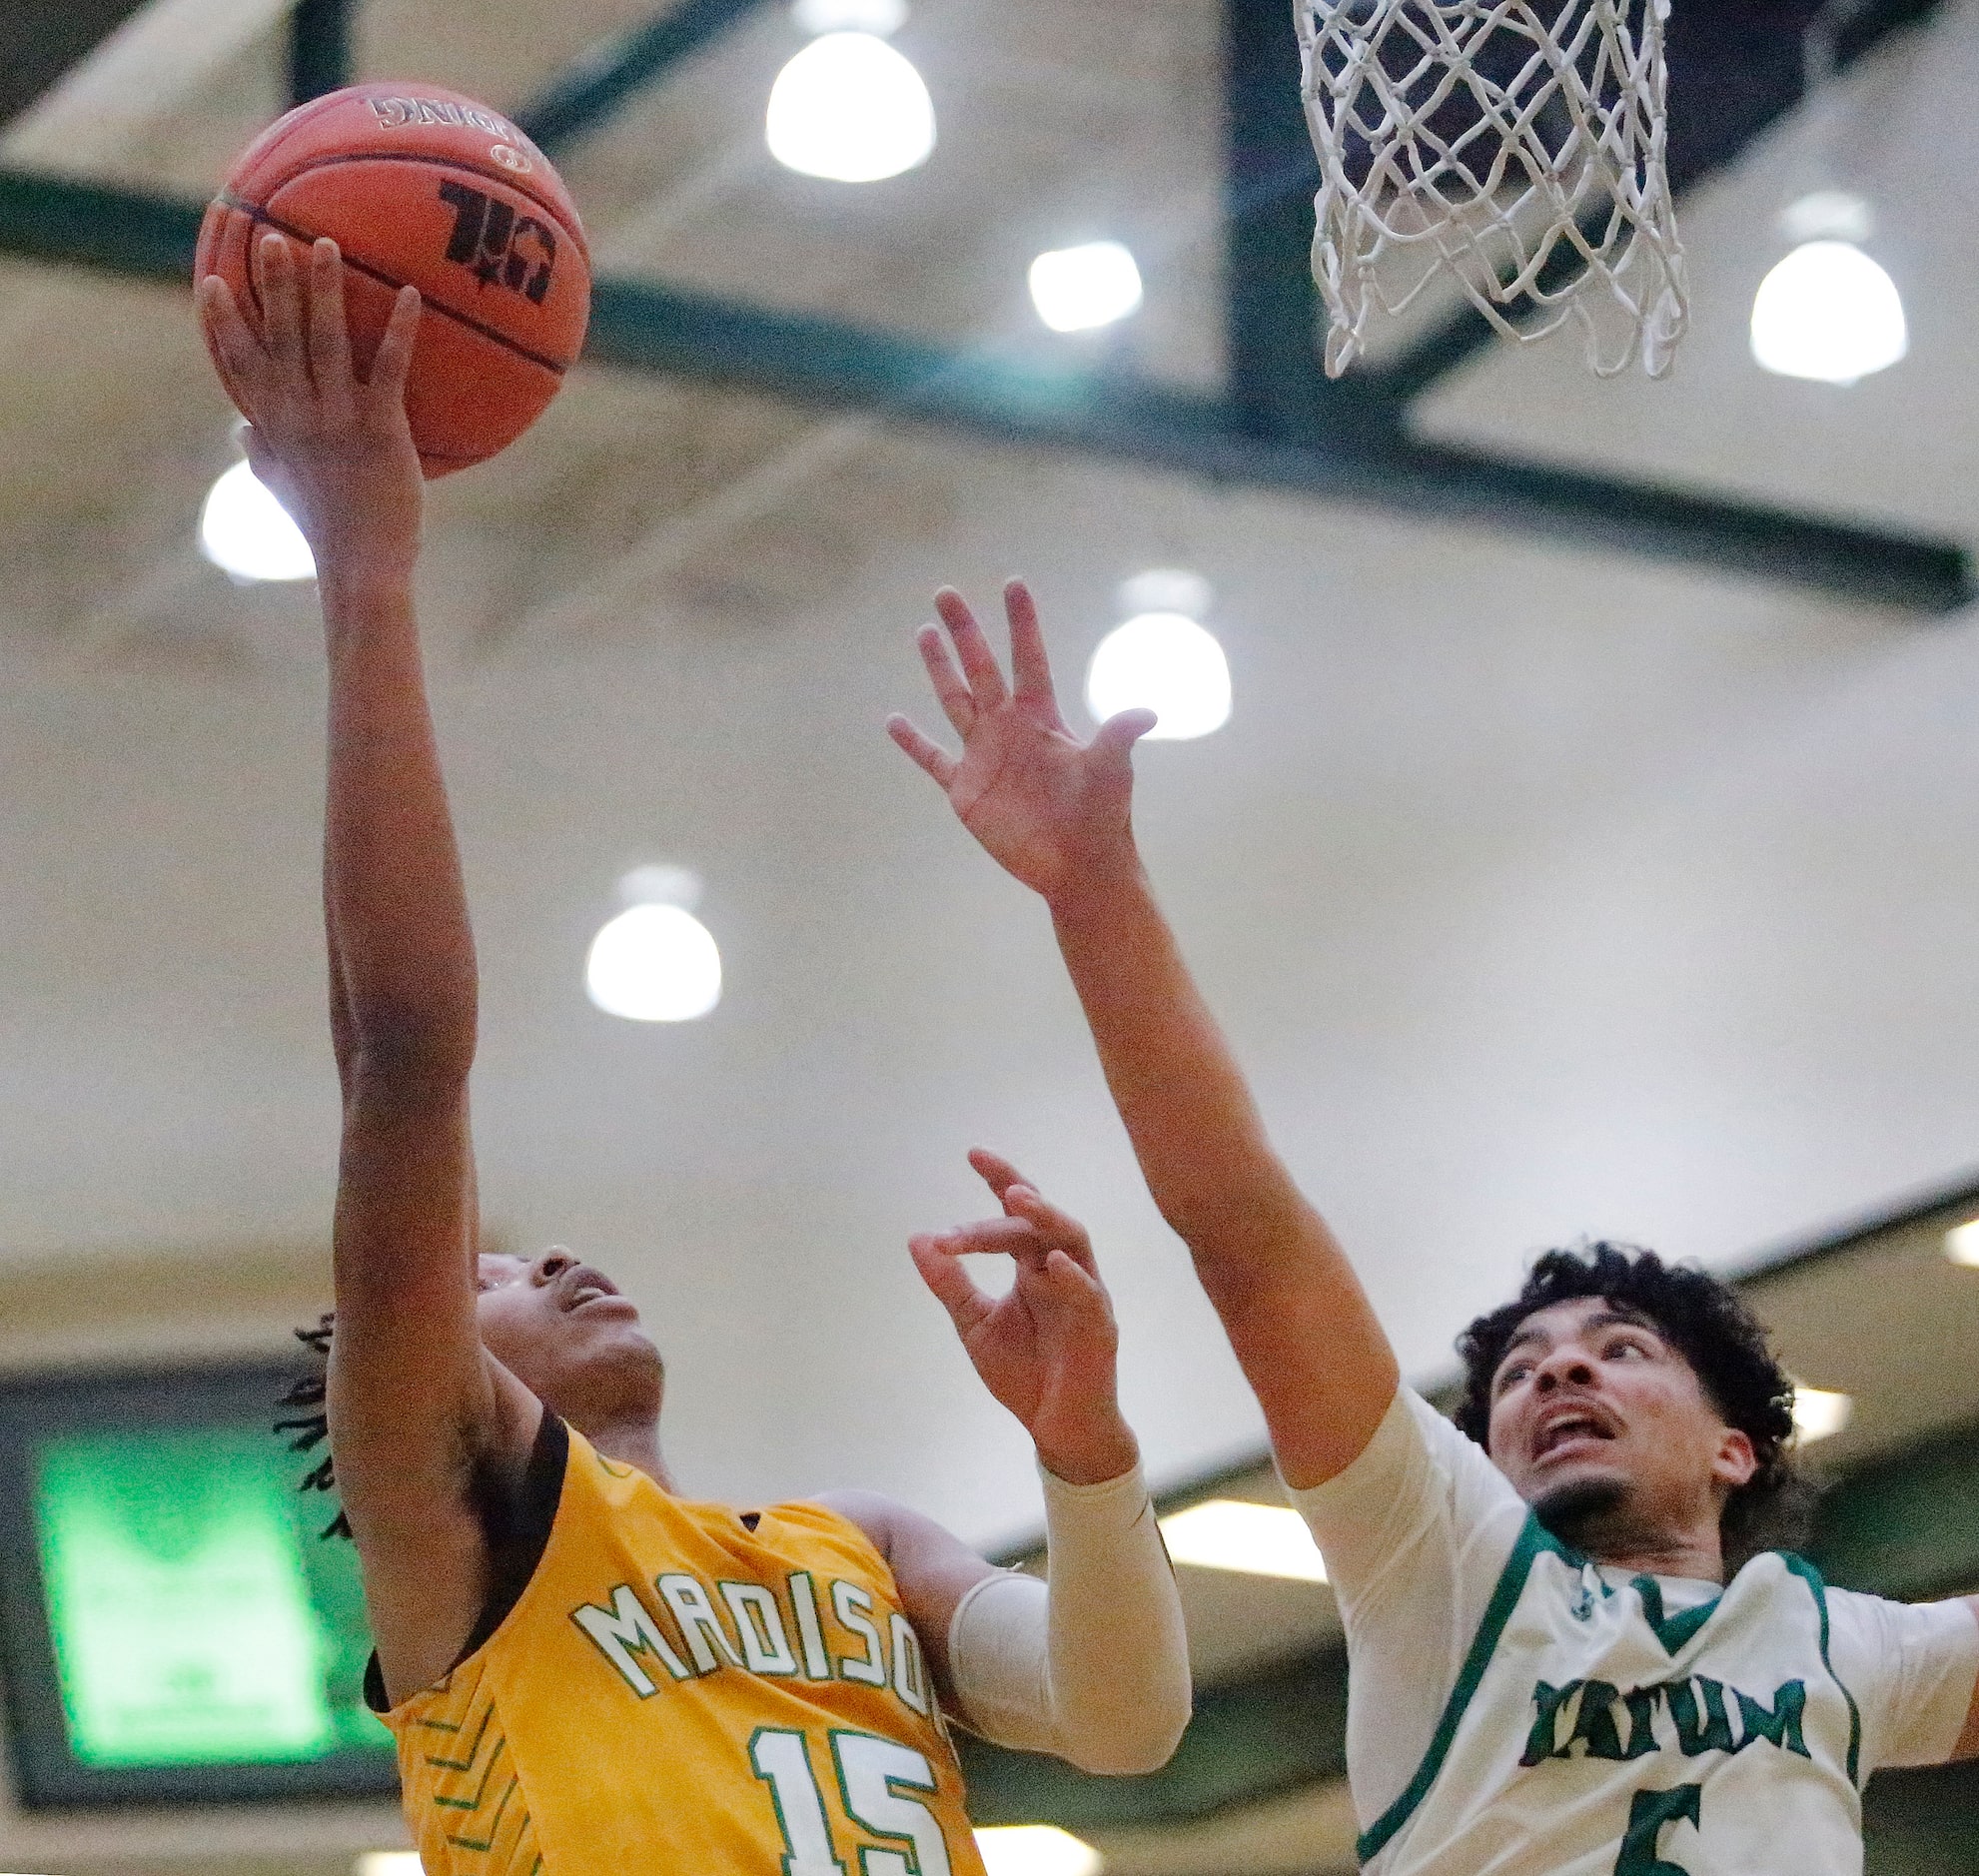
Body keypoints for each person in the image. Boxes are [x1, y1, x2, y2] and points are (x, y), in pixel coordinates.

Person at [196, 241, 1189, 1876]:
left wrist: (1082, 1441)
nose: (561, 1258)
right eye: (496, 1272)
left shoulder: (858, 1547)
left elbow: (1122, 1717)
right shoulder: (463, 1514)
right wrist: (365, 579)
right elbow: (404, 1057)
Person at [890, 578, 1979, 1876]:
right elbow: (1246, 1233)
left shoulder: (1845, 1646)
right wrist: (1093, 890)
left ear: (1736, 1446)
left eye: (1618, 1348)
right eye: (1519, 1372)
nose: (1558, 1369)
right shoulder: (1447, 1560)